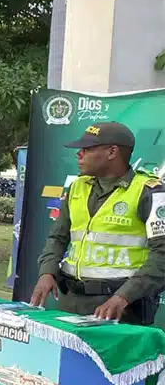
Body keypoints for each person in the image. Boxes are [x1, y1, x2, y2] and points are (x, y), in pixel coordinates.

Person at [31, 122, 165, 325]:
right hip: (71, 300)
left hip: (121, 306)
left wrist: (124, 296)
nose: (79, 154)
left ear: (112, 152)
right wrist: (47, 271)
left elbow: (162, 254)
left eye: (87, 149)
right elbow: (57, 237)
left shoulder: (149, 192)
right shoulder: (77, 187)